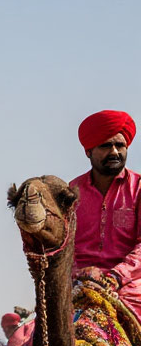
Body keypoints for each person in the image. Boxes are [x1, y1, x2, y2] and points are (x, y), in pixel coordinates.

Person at [72, 110, 141, 319]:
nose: (114, 152)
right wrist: (79, 273)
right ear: (88, 151)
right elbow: (61, 246)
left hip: (128, 286)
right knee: (29, 341)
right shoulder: (70, 193)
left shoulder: (138, 189)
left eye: (119, 145)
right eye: (105, 146)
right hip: (78, 284)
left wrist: (115, 277)